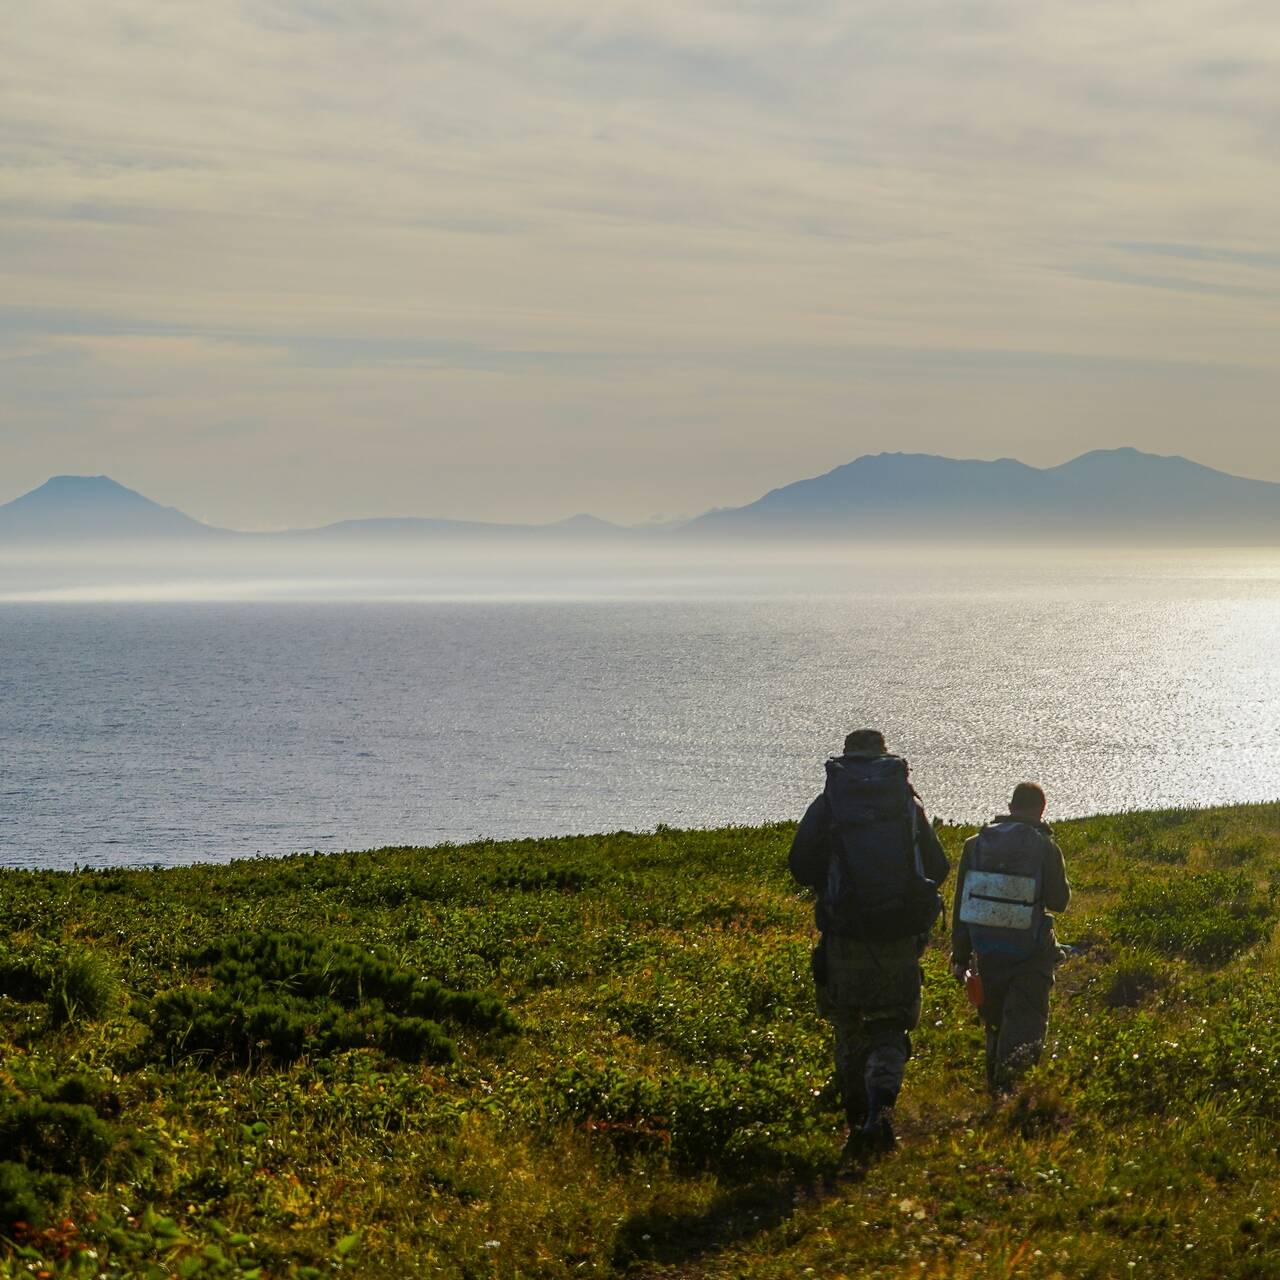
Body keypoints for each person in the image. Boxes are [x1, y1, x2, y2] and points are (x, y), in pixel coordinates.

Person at [789, 729, 949, 1157]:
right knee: (889, 1025)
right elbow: (938, 866)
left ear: (846, 759)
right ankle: (880, 1115)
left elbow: (799, 866)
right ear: (885, 757)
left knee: (848, 1028)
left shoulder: (829, 805)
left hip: (843, 937)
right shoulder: (907, 806)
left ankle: (855, 1124)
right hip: (898, 938)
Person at [950, 782, 1070, 1097]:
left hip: (986, 952)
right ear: (1041, 810)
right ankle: (1013, 1097)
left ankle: (994, 1092)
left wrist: (960, 956)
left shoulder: (973, 845)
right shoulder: (1045, 846)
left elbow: (963, 905)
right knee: (1026, 1024)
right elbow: (1059, 901)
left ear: (1010, 805)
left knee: (994, 1025)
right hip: (1030, 954)